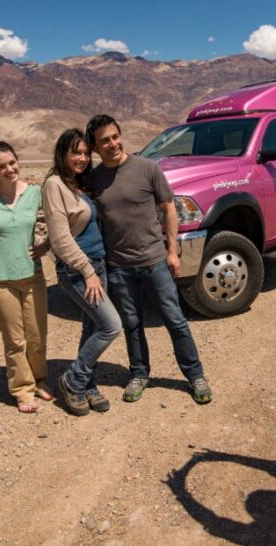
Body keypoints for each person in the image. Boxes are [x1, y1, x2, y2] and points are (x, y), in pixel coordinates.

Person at [85, 114, 213, 404]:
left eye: (115, 136)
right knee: (132, 323)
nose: (112, 144)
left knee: (175, 319)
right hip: (119, 266)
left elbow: (168, 208)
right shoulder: (95, 179)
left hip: (154, 260)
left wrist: (171, 252)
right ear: (95, 147)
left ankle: (195, 375)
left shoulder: (146, 167)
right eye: (104, 140)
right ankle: (139, 374)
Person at [42, 129, 122, 416]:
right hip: (78, 269)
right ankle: (73, 380)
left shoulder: (78, 184)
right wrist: (87, 271)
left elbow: (68, 228)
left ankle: (88, 385)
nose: (83, 158)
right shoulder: (54, 184)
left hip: (97, 263)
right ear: (63, 153)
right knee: (110, 325)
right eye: (76, 152)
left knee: (91, 327)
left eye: (86, 153)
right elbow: (62, 237)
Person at [0, 141, 52, 413]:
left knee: (37, 335)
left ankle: (39, 381)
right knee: (15, 339)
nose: (9, 169)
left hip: (32, 275)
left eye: (12, 163)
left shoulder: (34, 193)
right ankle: (22, 389)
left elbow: (60, 217)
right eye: (1, 166)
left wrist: (48, 245)